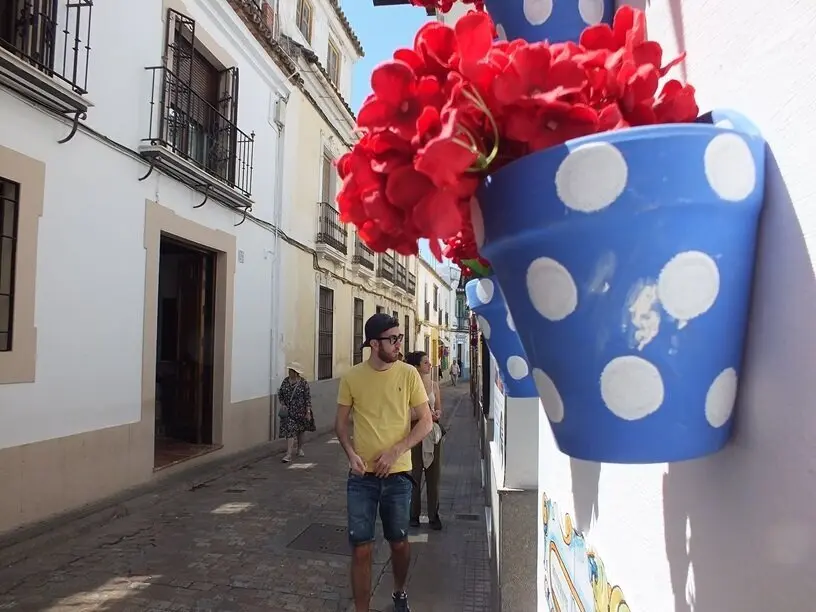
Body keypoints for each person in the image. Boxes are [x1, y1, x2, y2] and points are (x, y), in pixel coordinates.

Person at [335, 313, 433, 612]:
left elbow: (426, 422)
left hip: (399, 475)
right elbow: (340, 425)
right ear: (374, 344)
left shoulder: (408, 374)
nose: (399, 344)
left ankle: (400, 591)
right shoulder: (352, 377)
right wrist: (350, 453)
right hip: (362, 478)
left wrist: (396, 451)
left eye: (400, 337)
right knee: (361, 548)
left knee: (399, 542)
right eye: (393, 339)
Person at [405, 351, 444, 530]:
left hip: (432, 435)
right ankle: (413, 515)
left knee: (433, 476)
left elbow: (439, 409)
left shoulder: (434, 385)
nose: (430, 364)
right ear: (417, 366)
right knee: (415, 476)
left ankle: (433, 515)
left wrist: (435, 414)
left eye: (429, 361)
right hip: (414, 435)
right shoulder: (409, 387)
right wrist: (425, 414)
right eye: (426, 362)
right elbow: (405, 414)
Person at [278, 362, 315, 463]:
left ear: (296, 372)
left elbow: (307, 398)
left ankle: (299, 449)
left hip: (300, 411)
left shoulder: (303, 383)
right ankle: (288, 454)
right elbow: (280, 393)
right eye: (289, 370)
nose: (289, 372)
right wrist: (283, 403)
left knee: (300, 432)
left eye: (291, 370)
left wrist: (308, 412)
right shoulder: (285, 381)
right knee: (290, 430)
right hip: (289, 412)